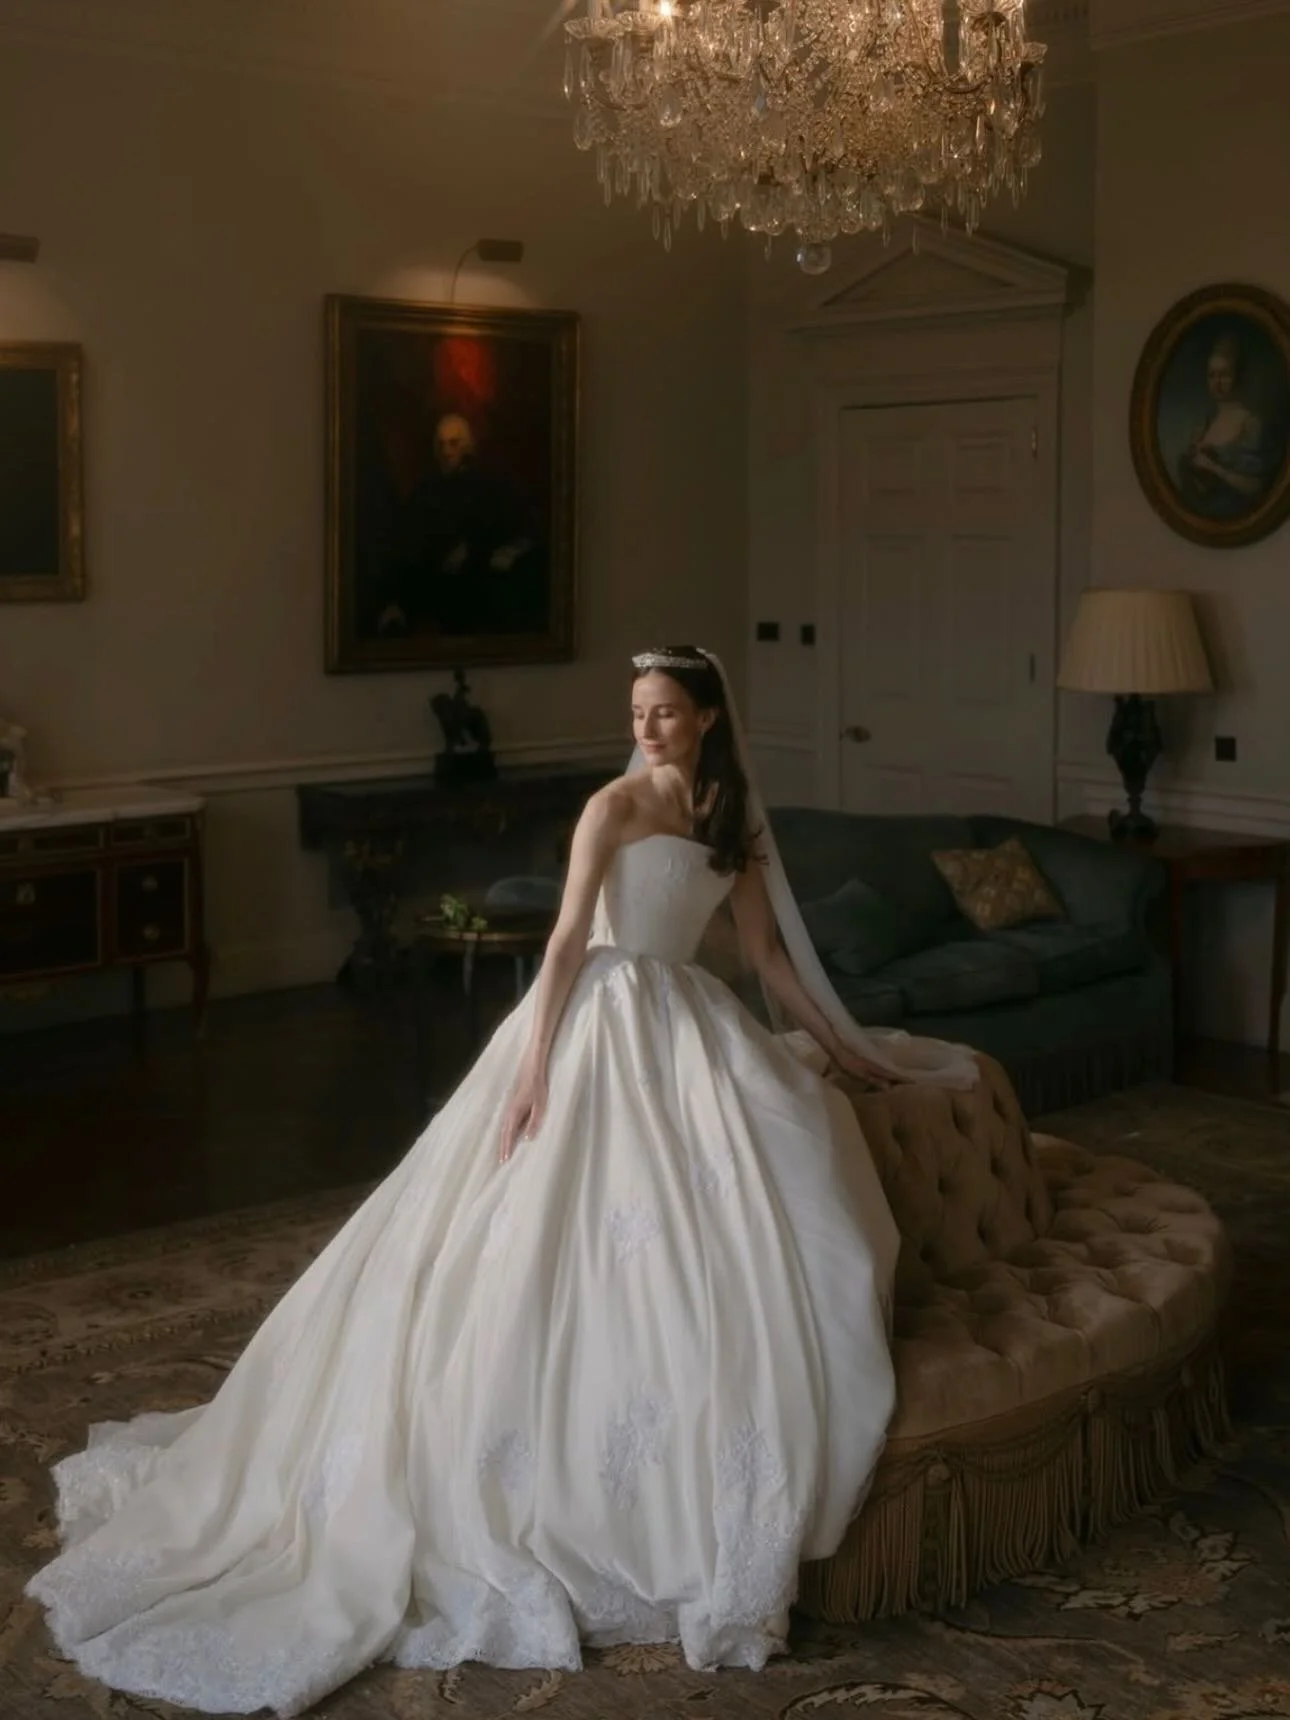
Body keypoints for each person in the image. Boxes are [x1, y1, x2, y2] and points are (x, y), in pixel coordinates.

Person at [25, 647, 978, 1718]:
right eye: (638, 711)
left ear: (709, 717)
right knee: (527, 1235)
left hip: (691, 1027)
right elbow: (569, 940)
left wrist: (844, 1049)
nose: (649, 727)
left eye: (667, 712)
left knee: (789, 1178)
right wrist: (529, 1075)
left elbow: (764, 962)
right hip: (594, 1025)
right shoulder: (610, 806)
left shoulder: (732, 825)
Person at [372, 412, 545, 639]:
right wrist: (395, 600)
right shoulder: (425, 491)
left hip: (480, 586)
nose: (446, 452)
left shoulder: (490, 487)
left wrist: (493, 551)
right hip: (433, 588)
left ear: (469, 446)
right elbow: (406, 546)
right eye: (441, 445)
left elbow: (523, 528)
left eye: (454, 443)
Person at [1177, 332, 1281, 519]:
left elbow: (1258, 488)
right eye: (1211, 375)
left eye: (1224, 375)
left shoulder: (1251, 424)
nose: (1217, 383)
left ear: (1238, 376)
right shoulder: (1205, 424)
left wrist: (1213, 468)